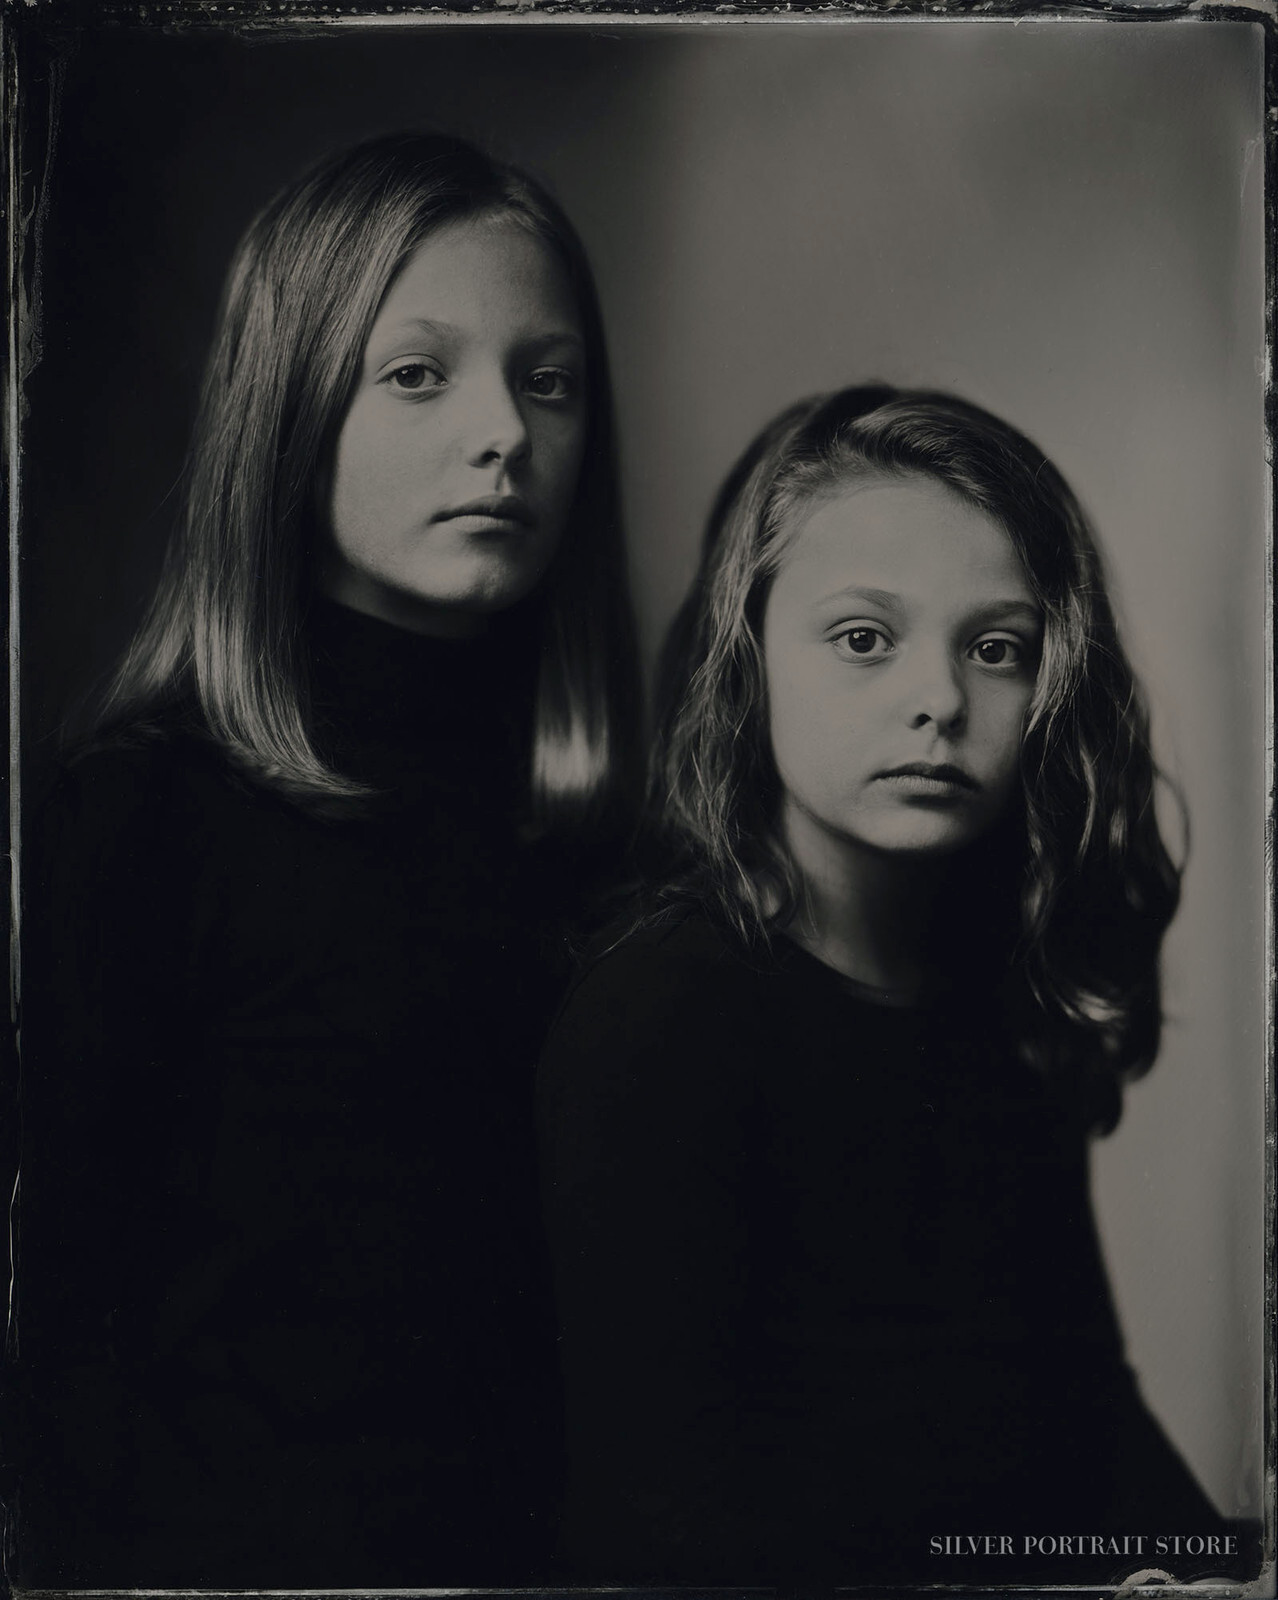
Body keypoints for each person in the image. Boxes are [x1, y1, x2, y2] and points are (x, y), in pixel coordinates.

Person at [17, 130, 639, 1587]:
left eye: (546, 379)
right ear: (288, 410)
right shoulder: (138, 817)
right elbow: (50, 1353)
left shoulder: (609, 843)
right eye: (417, 373)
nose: (503, 433)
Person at [538, 386, 1235, 1588]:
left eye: (997, 646)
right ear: (744, 653)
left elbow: (1082, 1403)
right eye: (865, 637)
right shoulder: (659, 1018)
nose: (941, 702)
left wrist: (1203, 1568)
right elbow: (668, 1519)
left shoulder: (997, 989)